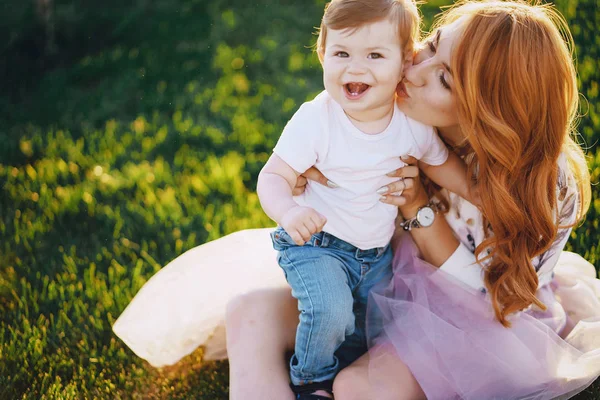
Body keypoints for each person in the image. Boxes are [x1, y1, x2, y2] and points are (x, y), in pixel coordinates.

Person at [112, 1, 600, 399]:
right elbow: (339, 123)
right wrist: (327, 178)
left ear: (490, 112)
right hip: (376, 272)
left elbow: (494, 299)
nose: (417, 67)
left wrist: (417, 208)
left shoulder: (547, 184)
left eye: (445, 78)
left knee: (357, 387)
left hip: (473, 322)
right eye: (430, 46)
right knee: (247, 310)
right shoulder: (406, 114)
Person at [257, 0, 473, 397]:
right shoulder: (317, 119)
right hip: (317, 245)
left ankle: (338, 362)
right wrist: (289, 210)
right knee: (331, 310)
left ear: (403, 62)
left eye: (375, 55)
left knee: (365, 325)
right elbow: (272, 176)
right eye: (341, 53)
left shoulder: (411, 122)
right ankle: (311, 380)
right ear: (322, 54)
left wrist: (483, 193)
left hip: (375, 255)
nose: (355, 68)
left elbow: (442, 165)